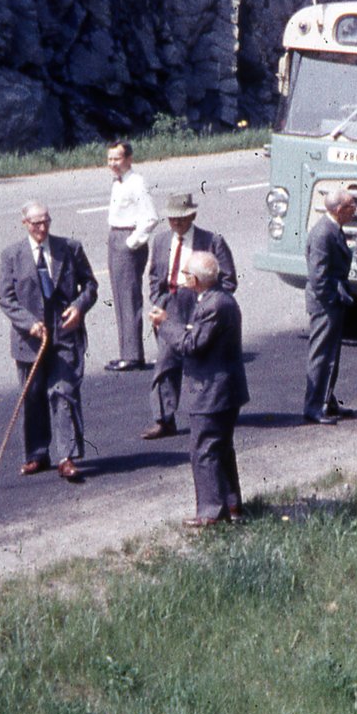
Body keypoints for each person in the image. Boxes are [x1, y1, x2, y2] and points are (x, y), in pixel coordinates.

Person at [0, 202, 97, 482]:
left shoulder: (70, 248)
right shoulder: (11, 255)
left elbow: (90, 286)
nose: (42, 228)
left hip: (65, 334)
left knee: (63, 392)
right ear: (25, 223)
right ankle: (37, 455)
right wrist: (29, 324)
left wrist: (79, 307)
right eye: (36, 223)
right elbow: (5, 298)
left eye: (46, 222)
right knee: (33, 395)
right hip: (31, 341)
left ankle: (67, 457)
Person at [152, 251, 248, 527]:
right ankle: (231, 504)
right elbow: (198, 334)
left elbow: (191, 345)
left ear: (195, 279)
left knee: (203, 450)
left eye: (185, 275)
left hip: (211, 392)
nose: (182, 279)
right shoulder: (219, 300)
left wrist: (165, 324)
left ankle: (211, 512)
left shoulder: (212, 305)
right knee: (221, 449)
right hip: (225, 389)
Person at [143, 192, 236, 441]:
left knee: (201, 359)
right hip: (171, 305)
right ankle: (164, 419)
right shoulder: (162, 241)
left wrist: (205, 301)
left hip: (199, 305)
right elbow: (154, 277)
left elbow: (228, 280)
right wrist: (161, 301)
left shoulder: (211, 241)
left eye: (182, 219)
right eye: (172, 219)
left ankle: (208, 410)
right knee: (165, 363)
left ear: (193, 216)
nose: (177, 224)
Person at [302, 190, 357, 424]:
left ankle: (327, 399)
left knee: (331, 354)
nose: (355, 210)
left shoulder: (332, 229)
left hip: (331, 303)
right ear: (338, 210)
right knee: (322, 355)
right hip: (325, 305)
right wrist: (332, 300)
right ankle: (314, 406)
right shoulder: (323, 234)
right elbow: (318, 277)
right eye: (351, 206)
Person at [102, 141, 157, 371]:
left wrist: (131, 243)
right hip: (115, 237)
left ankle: (133, 356)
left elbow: (150, 218)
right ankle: (127, 352)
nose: (113, 163)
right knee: (120, 297)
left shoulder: (136, 183)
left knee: (129, 298)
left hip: (127, 240)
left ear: (129, 159)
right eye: (110, 159)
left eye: (117, 158)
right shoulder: (119, 182)